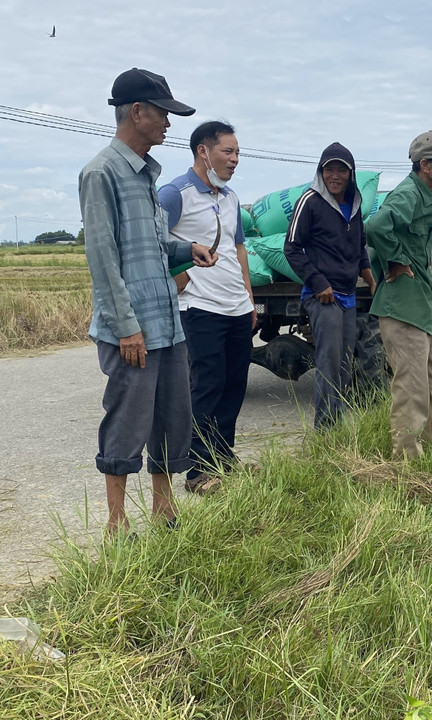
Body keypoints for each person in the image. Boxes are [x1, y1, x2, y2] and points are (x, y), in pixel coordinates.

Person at [79, 68, 217, 536]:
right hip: (132, 327)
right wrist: (125, 326)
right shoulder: (102, 173)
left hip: (167, 322)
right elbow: (102, 257)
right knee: (127, 418)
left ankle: (164, 508)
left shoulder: (146, 176)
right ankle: (116, 523)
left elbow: (154, 244)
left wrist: (186, 251)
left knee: (171, 416)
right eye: (162, 113)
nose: (168, 124)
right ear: (136, 112)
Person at [158, 121, 255, 496]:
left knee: (234, 385)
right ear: (203, 150)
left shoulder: (229, 197)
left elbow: (238, 249)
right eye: (227, 152)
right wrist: (180, 280)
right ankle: (197, 471)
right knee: (206, 387)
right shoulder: (174, 194)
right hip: (199, 308)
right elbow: (152, 243)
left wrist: (247, 297)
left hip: (235, 305)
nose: (234, 159)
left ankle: (223, 458)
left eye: (237, 153)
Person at [365, 131, 432, 459]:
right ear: (426, 165)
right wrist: (395, 259)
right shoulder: (409, 194)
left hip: (418, 305)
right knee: (411, 389)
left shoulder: (426, 197)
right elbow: (375, 226)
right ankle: (407, 461)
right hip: (402, 308)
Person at [284, 142, 376, 429]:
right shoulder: (309, 201)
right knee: (329, 362)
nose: (334, 176)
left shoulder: (355, 205)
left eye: (341, 170)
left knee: (346, 363)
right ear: (320, 172)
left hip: (348, 295)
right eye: (329, 169)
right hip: (323, 297)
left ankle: (338, 423)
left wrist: (371, 280)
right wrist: (318, 283)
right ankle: (325, 430)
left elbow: (360, 246)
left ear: (351, 173)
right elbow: (291, 249)